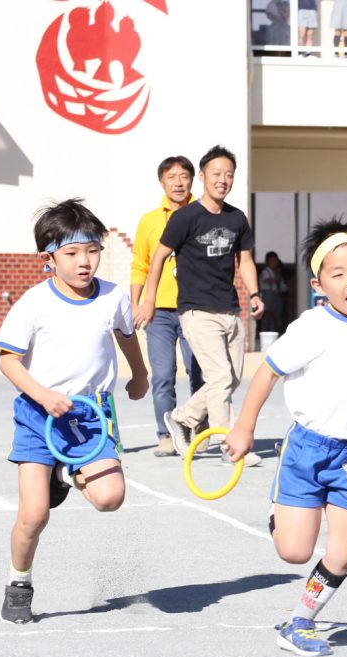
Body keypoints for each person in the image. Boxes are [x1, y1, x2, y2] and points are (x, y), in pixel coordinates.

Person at [223, 218, 347, 657]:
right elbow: (266, 373)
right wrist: (244, 426)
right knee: (294, 551)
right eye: (339, 274)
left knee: (345, 549)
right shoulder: (312, 326)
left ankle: (300, 621)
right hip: (308, 449)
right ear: (318, 284)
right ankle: (281, 513)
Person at [0, 199, 149, 624]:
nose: (85, 261)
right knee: (33, 514)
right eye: (72, 252)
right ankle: (19, 583)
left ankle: (63, 473)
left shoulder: (113, 297)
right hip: (38, 415)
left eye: (92, 249)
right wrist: (43, 395)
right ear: (49, 258)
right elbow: (7, 359)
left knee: (110, 497)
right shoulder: (33, 302)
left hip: (89, 418)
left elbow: (126, 334)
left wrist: (140, 374)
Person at [136, 145, 264, 466]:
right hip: (195, 309)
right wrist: (148, 299)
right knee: (219, 377)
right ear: (203, 176)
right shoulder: (185, 217)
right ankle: (227, 444)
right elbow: (157, 258)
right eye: (216, 174)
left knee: (231, 378)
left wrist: (254, 293)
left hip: (230, 310)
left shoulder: (237, 218)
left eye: (229, 175)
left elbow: (245, 260)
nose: (223, 180)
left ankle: (182, 417)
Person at [130, 155, 205, 457]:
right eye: (171, 176)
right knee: (162, 375)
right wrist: (136, 304)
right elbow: (140, 265)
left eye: (184, 176)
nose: (178, 182)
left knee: (199, 374)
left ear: (192, 180)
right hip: (158, 312)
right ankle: (166, 435)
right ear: (162, 181)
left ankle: (199, 431)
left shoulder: (204, 216)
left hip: (196, 310)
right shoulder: (149, 221)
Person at [259, 251, 288, 333]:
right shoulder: (265, 272)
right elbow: (266, 280)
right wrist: (276, 278)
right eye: (272, 260)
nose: (274, 262)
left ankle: (274, 332)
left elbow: (283, 287)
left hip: (275, 296)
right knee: (267, 315)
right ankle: (264, 333)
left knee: (276, 316)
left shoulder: (276, 272)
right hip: (267, 295)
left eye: (275, 261)